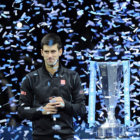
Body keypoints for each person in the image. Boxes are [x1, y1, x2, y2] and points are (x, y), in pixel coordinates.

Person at [18, 33, 86, 140]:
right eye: (47, 52)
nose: (50, 56)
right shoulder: (30, 78)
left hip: (66, 136)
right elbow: (21, 111)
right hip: (40, 137)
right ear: (42, 53)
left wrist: (65, 104)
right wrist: (41, 111)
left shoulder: (73, 76)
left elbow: (82, 109)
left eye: (53, 51)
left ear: (60, 52)